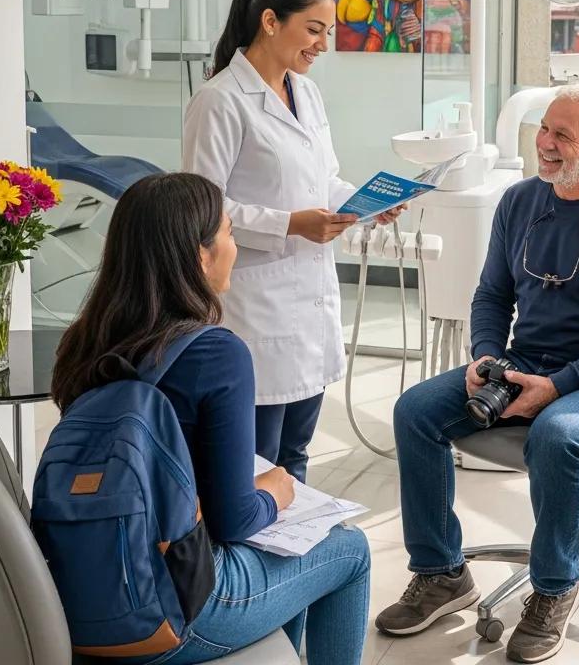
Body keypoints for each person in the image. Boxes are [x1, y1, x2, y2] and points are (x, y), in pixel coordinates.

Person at [375, 84, 579, 664]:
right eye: (544, 128)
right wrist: (488, 358)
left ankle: (556, 587)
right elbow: (491, 295)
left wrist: (559, 388)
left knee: (557, 435)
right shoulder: (518, 203)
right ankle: (441, 573)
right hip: (526, 359)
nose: (546, 143)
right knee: (415, 411)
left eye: (564, 134)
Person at [48, 173, 371, 665]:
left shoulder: (85, 341)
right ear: (200, 256)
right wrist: (275, 491)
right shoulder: (217, 353)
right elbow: (233, 521)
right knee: (349, 550)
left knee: (293, 559)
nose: (234, 247)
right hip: (177, 611)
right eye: (230, 233)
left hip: (82, 598)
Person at [182, 0, 400, 483]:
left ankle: (298, 560)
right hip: (255, 309)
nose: (324, 44)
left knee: (297, 455)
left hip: (310, 307)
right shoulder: (218, 101)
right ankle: (253, 561)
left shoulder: (306, 93)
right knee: (254, 465)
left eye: (328, 31)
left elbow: (323, 179)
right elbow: (200, 207)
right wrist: (290, 225)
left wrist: (364, 201)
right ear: (271, 22)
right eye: (314, 29)